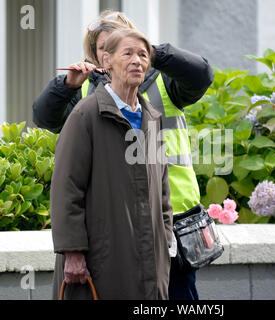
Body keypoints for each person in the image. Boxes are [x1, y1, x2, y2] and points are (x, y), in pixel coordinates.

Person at [32, 11, 214, 300]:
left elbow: (202, 75)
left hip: (174, 225)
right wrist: (65, 85)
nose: (113, 54)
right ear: (99, 57)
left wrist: (151, 52)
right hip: (120, 229)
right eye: (104, 48)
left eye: (128, 46)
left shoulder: (164, 84)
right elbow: (45, 121)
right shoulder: (85, 100)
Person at [51, 28, 172, 300]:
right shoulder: (86, 114)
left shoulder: (153, 118)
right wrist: (73, 253)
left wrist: (164, 241)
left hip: (149, 260)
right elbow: (66, 188)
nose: (137, 61)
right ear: (106, 62)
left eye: (143, 55)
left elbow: (162, 193)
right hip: (99, 260)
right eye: (127, 53)